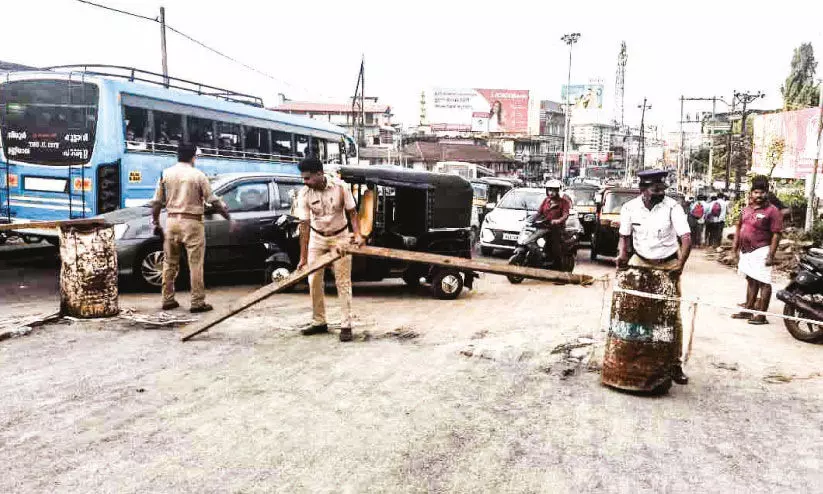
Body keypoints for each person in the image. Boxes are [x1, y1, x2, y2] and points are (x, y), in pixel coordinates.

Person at [616, 169, 692, 385]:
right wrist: (622, 255)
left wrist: (680, 264)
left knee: (671, 314)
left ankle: (674, 364)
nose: (659, 194)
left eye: (661, 190)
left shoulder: (672, 207)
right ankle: (630, 355)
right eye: (654, 190)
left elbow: (686, 238)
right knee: (631, 309)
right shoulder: (629, 208)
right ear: (643, 190)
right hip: (640, 260)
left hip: (667, 262)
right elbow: (624, 237)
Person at [151, 143, 232, 313]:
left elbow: (157, 202)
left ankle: (167, 299)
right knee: (195, 264)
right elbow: (213, 201)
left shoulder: (165, 174)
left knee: (169, 262)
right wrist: (228, 216)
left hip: (171, 221)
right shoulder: (198, 175)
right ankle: (197, 302)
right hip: (192, 222)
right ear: (193, 156)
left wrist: (156, 222)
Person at [295, 156, 364, 342]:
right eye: (303, 178)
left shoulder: (341, 187)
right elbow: (304, 226)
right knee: (314, 279)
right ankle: (319, 321)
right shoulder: (304, 194)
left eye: (308, 178)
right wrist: (303, 258)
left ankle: (346, 324)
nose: (305, 181)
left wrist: (357, 235)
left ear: (320, 174)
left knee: (343, 281)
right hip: (317, 239)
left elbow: (352, 213)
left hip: (340, 238)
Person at [731, 176, 783, 325]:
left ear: (767, 193)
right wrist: (734, 248)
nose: (759, 196)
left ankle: (761, 316)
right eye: (756, 192)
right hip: (746, 251)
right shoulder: (746, 209)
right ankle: (748, 309)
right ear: (751, 193)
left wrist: (770, 255)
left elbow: (776, 234)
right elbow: (738, 227)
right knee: (750, 279)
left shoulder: (773, 211)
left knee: (764, 282)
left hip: (762, 250)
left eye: (762, 192)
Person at [528, 179, 571, 266]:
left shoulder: (564, 202)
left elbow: (565, 215)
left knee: (555, 248)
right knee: (530, 240)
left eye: (554, 190)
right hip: (544, 227)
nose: (551, 193)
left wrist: (558, 220)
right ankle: (538, 256)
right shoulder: (546, 201)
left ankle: (557, 264)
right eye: (549, 190)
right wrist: (530, 219)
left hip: (557, 229)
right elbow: (539, 213)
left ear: (558, 191)